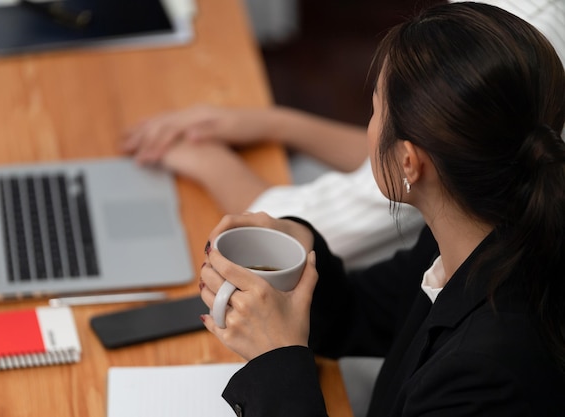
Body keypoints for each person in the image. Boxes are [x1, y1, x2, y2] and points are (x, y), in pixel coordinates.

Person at [195, 2, 565, 416]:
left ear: (409, 161)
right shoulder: (479, 230)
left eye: (374, 110)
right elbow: (363, 314)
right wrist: (302, 246)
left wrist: (277, 361)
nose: (369, 127)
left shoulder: (483, 378)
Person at [123, 0, 564, 271]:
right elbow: (411, 152)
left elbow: (325, 223)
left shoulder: (448, 243)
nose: (372, 123)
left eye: (373, 111)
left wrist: (205, 159)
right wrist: (278, 123)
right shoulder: (444, 239)